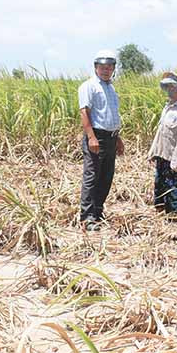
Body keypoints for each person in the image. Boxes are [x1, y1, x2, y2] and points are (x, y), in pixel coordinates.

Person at [78, 50, 125, 231]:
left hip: (111, 138)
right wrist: (91, 137)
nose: (106, 70)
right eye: (103, 67)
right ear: (96, 68)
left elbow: (111, 115)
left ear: (113, 69)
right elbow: (84, 112)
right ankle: (87, 217)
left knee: (106, 176)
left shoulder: (111, 88)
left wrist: (118, 138)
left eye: (110, 67)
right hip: (96, 137)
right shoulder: (89, 86)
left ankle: (97, 211)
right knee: (92, 176)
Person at [147, 72, 177, 214]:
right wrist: (153, 152)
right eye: (168, 87)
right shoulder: (167, 108)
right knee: (161, 188)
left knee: (174, 190)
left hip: (173, 159)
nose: (170, 91)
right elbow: (160, 132)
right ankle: (162, 214)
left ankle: (175, 217)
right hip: (162, 157)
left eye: (173, 88)